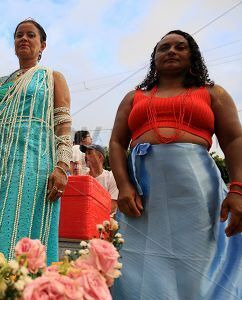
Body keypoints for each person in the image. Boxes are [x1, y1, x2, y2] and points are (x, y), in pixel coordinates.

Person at [109, 30, 242, 299]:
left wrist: (238, 189)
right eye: (164, 47)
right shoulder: (134, 97)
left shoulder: (213, 93)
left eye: (180, 47)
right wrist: (123, 185)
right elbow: (116, 142)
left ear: (192, 55)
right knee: (136, 262)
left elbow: (234, 141)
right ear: (154, 58)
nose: (171, 51)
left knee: (198, 262)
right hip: (143, 196)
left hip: (197, 194)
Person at [0, 19, 72, 264]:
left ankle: (18, 285)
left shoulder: (52, 77)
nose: (24, 39)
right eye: (19, 35)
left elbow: (62, 124)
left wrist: (63, 167)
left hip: (32, 160)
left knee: (21, 216)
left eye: (31, 35)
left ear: (43, 45)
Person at [81, 144, 118, 215]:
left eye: (89, 153)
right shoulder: (83, 178)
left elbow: (113, 206)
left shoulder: (111, 177)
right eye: (85, 154)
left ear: (100, 157)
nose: (85, 156)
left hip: (105, 222)